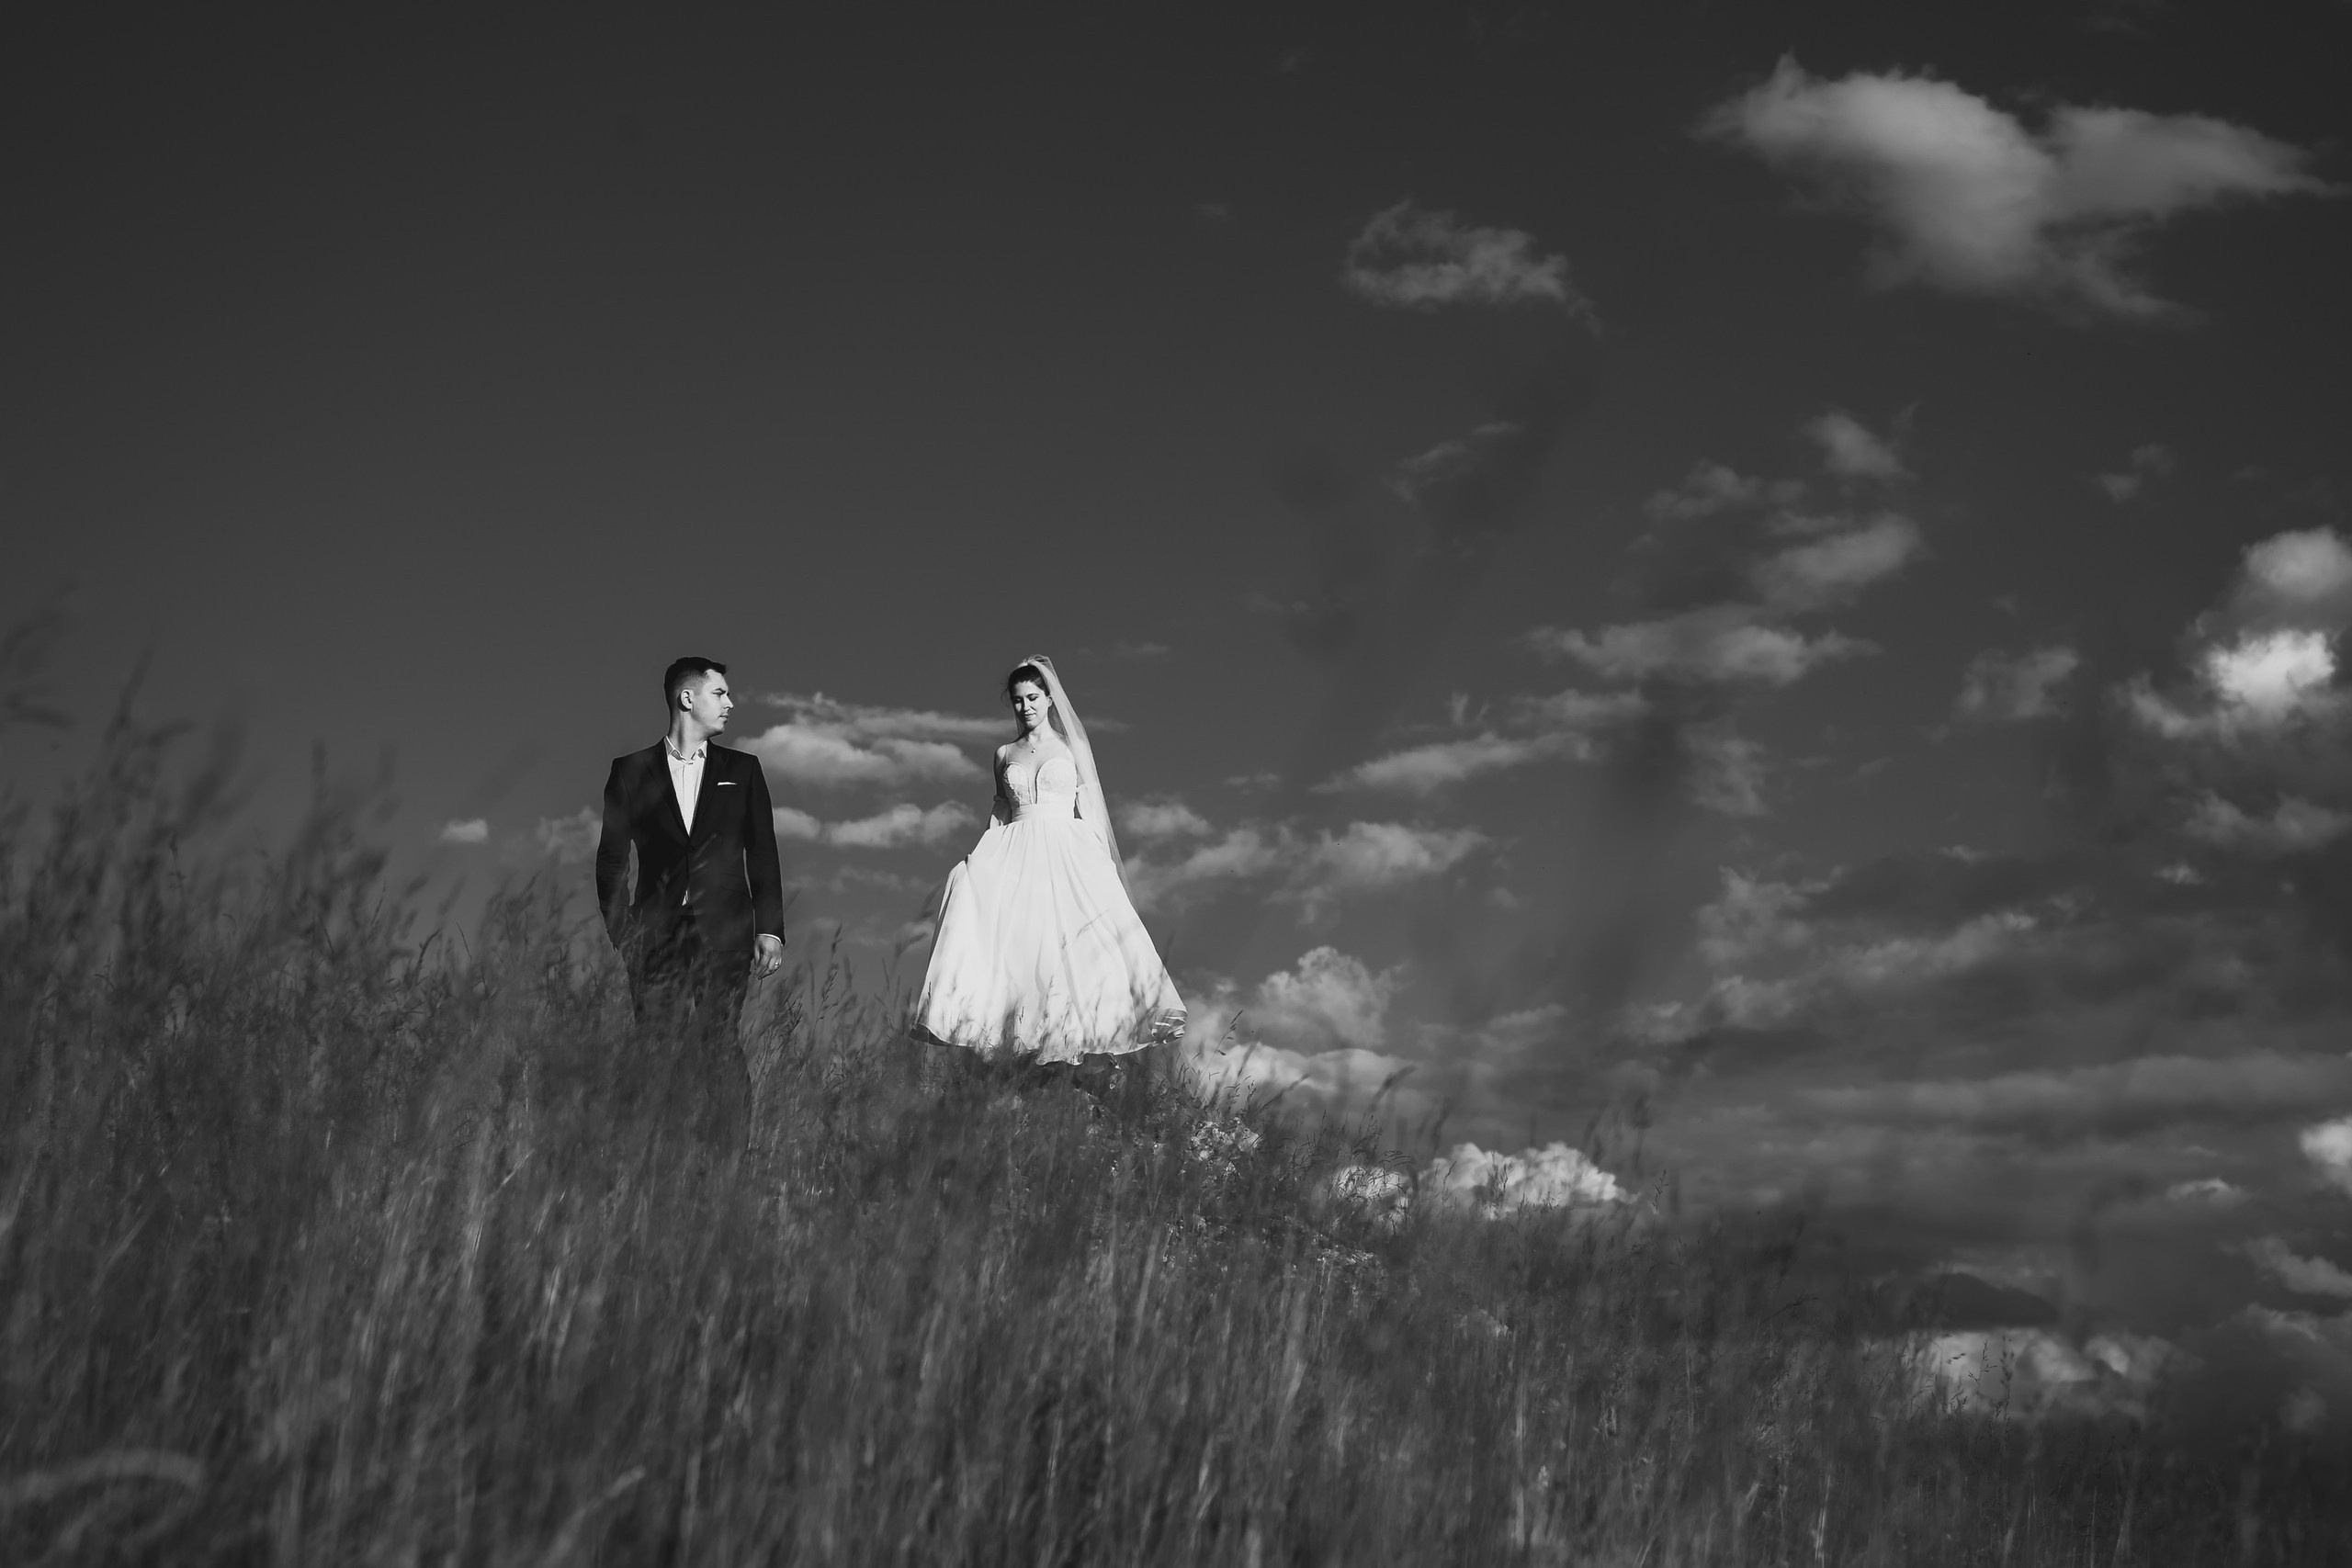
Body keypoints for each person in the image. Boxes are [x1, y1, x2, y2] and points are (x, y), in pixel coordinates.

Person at [913, 655, 1186, 1071]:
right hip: (1014, 850)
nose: (1025, 707)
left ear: (1049, 699)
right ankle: (1017, 1044)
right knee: (1018, 944)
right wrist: (980, 863)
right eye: (1018, 700)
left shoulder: (1072, 747)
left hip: (1064, 848)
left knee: (1068, 943)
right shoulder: (1004, 753)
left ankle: (1067, 1051)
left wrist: (1098, 861)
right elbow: (1000, 813)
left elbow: (1090, 806)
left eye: (1033, 698)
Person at [594, 656, 786, 1149]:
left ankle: (726, 1164)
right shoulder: (630, 771)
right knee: (655, 1047)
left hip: (724, 932)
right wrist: (624, 933)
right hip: (654, 934)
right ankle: (655, 1157)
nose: (730, 703)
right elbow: (612, 859)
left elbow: (762, 851)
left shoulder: (743, 770)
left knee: (719, 1043)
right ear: (687, 699)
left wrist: (770, 928)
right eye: (720, 694)